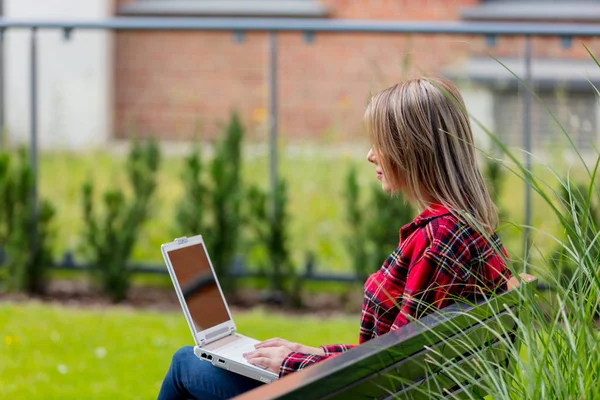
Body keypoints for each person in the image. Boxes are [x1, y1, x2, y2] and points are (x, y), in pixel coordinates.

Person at [158, 77, 512, 400]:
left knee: (187, 364)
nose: (371, 155)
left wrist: (291, 364)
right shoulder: (471, 229)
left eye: (381, 143)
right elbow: (392, 356)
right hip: (370, 387)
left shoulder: (439, 239)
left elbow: (390, 373)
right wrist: (309, 355)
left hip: (360, 393)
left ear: (413, 149)